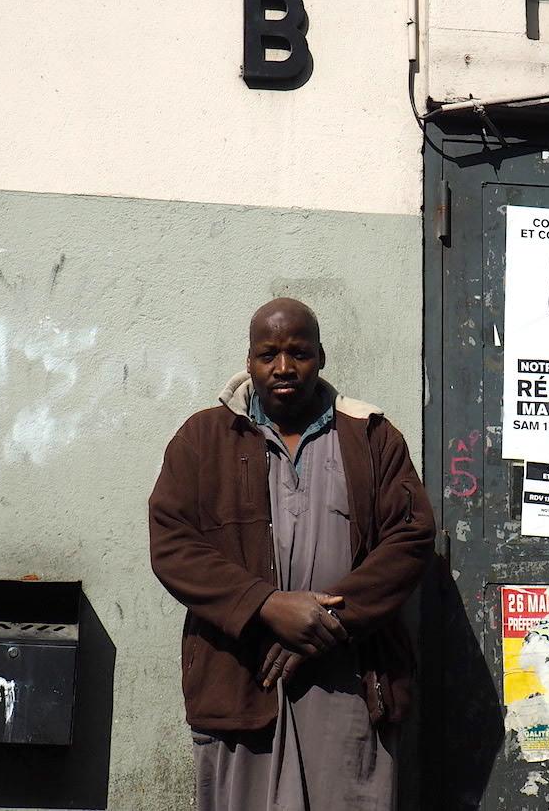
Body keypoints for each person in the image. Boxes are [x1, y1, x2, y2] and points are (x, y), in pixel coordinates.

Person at [148, 298, 435, 811]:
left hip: (348, 685)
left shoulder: (371, 436)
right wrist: (265, 606)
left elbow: (410, 539)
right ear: (250, 360)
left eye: (298, 353)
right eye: (268, 354)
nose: (284, 368)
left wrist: (325, 623)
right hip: (241, 681)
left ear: (320, 356)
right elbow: (172, 543)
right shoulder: (204, 438)